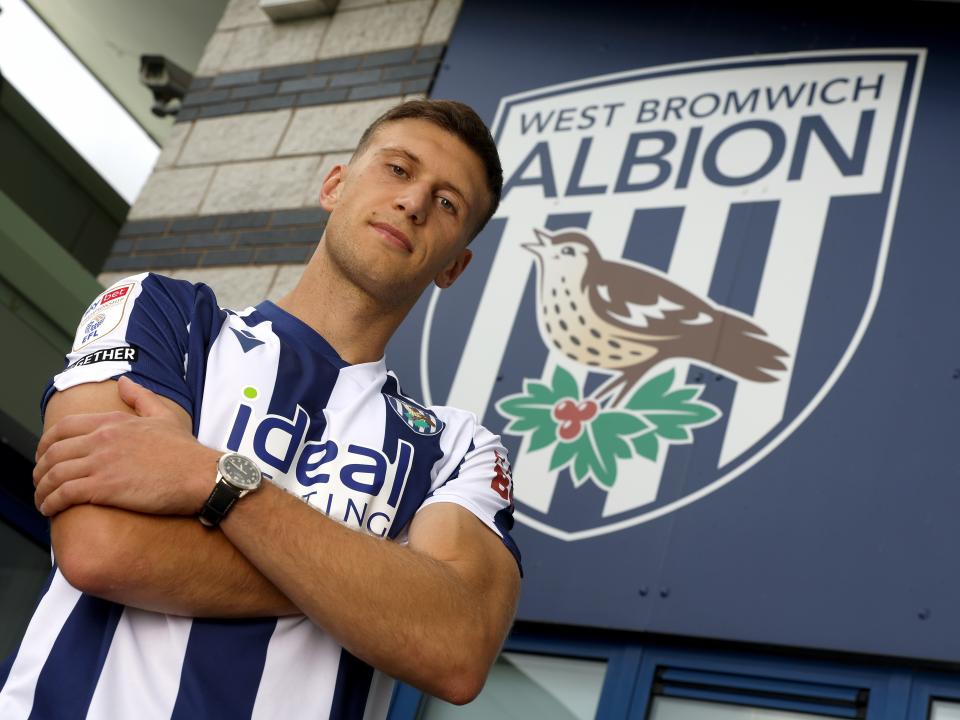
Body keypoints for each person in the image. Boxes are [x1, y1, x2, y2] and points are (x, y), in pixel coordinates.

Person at [0, 99, 521, 719]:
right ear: (335, 185)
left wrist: (208, 477)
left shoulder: (457, 448)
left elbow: (455, 649)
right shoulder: (166, 315)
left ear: (454, 267)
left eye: (447, 203)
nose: (413, 202)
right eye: (399, 170)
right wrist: (380, 591)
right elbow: (101, 545)